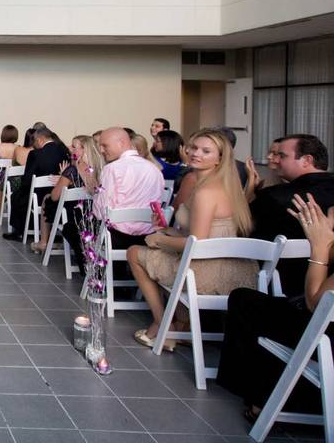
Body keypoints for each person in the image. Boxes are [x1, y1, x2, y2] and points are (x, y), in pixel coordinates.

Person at [127, 129, 258, 351]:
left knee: (133, 252)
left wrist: (158, 239)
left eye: (206, 151)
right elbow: (205, 234)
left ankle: (162, 324)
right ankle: (181, 326)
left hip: (206, 271)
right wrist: (167, 230)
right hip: (233, 267)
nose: (196, 154)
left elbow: (196, 244)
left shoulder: (206, 192)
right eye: (194, 148)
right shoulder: (226, 186)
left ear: (219, 159)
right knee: (166, 254)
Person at [217, 192, 334, 423]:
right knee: (256, 303)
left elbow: (316, 304)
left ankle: (262, 395)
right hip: (322, 326)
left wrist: (319, 247)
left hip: (325, 336)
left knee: (246, 304)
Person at [249, 134, 334, 296]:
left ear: (307, 160)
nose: (275, 160)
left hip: (282, 286)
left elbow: (242, 228)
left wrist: (250, 192)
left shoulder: (273, 197)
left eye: (282, 156)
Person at [92, 127, 165, 249]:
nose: (101, 150)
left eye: (105, 146)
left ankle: (102, 268)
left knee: (76, 226)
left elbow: (102, 210)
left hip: (117, 237)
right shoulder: (154, 168)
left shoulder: (112, 168)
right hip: (148, 235)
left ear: (121, 143)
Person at [33, 135, 104, 257]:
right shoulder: (99, 168)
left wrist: (63, 177)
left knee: (47, 198)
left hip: (71, 214)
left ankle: (43, 241)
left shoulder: (72, 170)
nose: (70, 149)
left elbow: (55, 196)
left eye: (74, 147)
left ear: (84, 150)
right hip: (91, 213)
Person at [3, 126, 69, 241]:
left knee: (16, 196)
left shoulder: (35, 154)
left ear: (39, 140)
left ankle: (19, 231)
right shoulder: (64, 151)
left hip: (37, 196)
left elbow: (27, 180)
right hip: (59, 195)